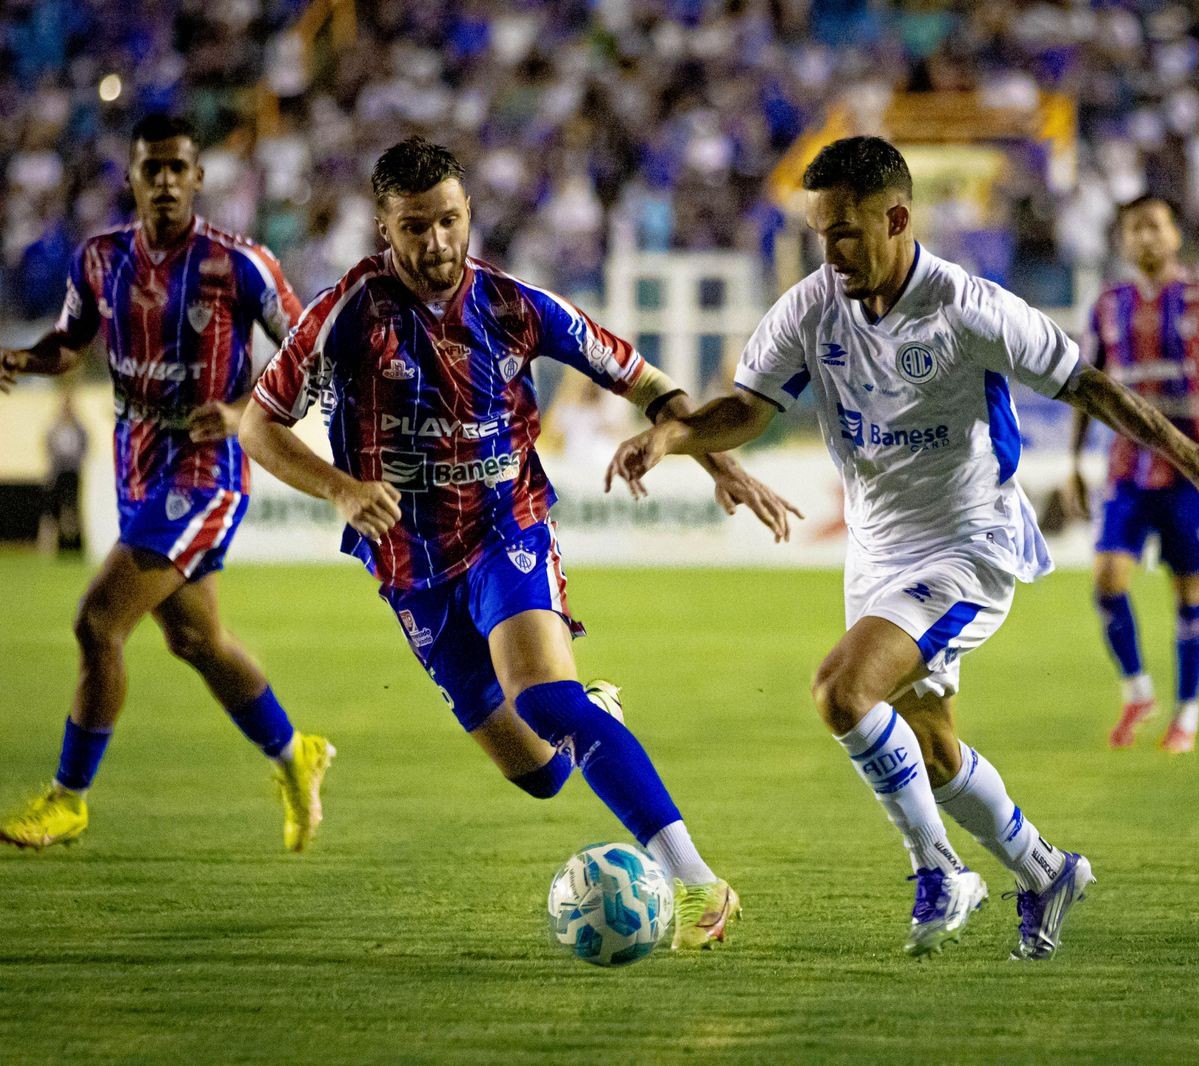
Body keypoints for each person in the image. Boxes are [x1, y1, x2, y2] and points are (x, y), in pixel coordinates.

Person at [606, 137, 1199, 959]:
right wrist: (675, 437)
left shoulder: (968, 306)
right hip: (878, 553)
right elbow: (750, 409)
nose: (832, 251)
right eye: (823, 233)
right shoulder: (812, 305)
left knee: (840, 692)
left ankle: (939, 870)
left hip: (970, 546)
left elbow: (1093, 385)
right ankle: (1047, 871)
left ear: (897, 218)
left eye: (847, 231)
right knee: (930, 753)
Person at [238, 137, 797, 950]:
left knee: (541, 699)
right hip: (409, 564)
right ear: (382, 228)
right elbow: (260, 423)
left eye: (450, 221)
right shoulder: (345, 314)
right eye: (415, 227)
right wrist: (343, 488)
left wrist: (714, 461)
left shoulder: (512, 304)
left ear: (469, 215)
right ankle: (590, 711)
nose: (436, 243)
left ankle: (698, 881)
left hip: (506, 526)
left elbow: (647, 383)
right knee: (537, 773)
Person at [0, 114, 332, 852]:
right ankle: (293, 752)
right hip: (136, 458)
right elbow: (71, 340)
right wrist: (25, 358)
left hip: (206, 470)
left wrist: (246, 408)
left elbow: (308, 358)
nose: (166, 183)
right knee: (196, 638)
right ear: (133, 177)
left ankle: (68, 798)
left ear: (199, 179)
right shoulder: (100, 258)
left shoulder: (240, 264)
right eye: (152, 169)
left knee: (97, 622)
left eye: (179, 169)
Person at [1064, 194, 1199, 754]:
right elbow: (1086, 387)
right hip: (1127, 469)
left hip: (1194, 472)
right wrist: (1076, 461)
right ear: (1123, 241)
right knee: (1107, 579)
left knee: (1189, 591)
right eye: (1134, 229)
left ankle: (1187, 716)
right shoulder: (1107, 305)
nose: (1145, 237)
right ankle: (1137, 691)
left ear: (1175, 234)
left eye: (1155, 226)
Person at [40, 390, 89, 554]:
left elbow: (85, 446)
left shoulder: (79, 428)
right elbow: (49, 447)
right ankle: (51, 548)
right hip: (58, 472)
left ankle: (74, 546)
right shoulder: (54, 428)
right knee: (53, 509)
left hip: (73, 472)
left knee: (73, 510)